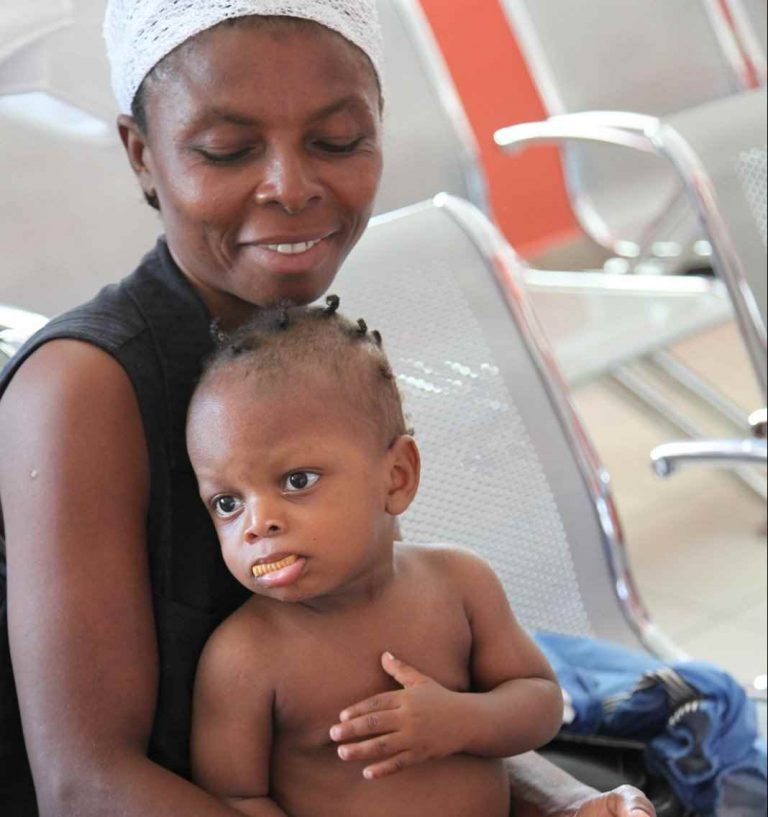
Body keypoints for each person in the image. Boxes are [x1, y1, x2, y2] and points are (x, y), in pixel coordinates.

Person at [0, 2, 656, 816]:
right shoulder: (79, 391)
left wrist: (561, 802)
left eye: (338, 141)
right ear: (143, 154)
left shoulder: (306, 351)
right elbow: (87, 785)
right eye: (228, 150)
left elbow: (393, 698)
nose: (292, 186)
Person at [187, 299, 565, 816]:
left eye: (297, 481)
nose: (257, 524)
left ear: (397, 477)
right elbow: (233, 798)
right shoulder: (245, 658)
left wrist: (460, 721)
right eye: (228, 503)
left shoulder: (458, 584)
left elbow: (541, 702)